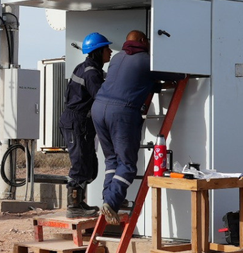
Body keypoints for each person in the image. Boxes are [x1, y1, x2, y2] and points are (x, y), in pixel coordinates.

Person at [91, 30, 185, 224]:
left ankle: (107, 199)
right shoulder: (146, 60)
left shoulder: (116, 58)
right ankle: (112, 202)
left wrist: (155, 86)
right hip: (121, 112)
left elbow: (132, 80)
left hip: (98, 109)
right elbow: (178, 74)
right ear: (143, 41)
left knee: (111, 160)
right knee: (126, 164)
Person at [59, 32, 112, 218]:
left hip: (82, 122)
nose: (110, 51)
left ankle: (79, 202)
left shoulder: (91, 69)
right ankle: (73, 206)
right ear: (98, 51)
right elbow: (101, 97)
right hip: (77, 121)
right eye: (107, 48)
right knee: (81, 164)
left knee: (90, 167)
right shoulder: (91, 73)